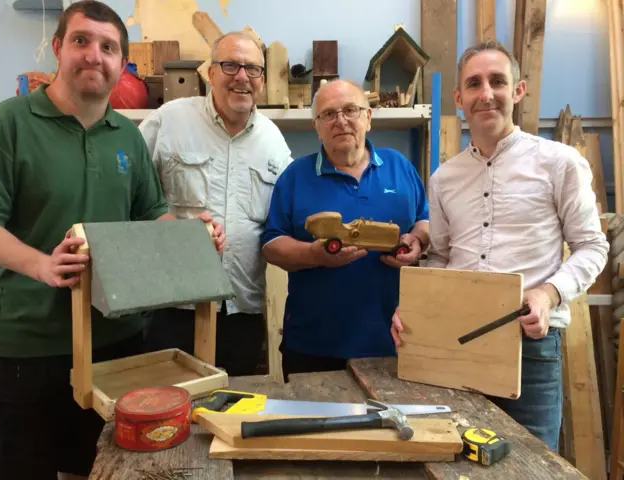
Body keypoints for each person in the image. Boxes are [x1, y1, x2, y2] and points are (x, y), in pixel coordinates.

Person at [0, 2, 223, 479]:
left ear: (121, 64)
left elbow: (150, 219)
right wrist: (41, 266)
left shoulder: (128, 138)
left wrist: (191, 237)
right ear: (58, 48)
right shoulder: (10, 122)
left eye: (108, 47)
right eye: (81, 41)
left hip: (115, 344)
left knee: (99, 470)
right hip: (29, 346)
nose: (94, 55)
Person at [391, 40, 609, 452]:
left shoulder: (559, 163)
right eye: (473, 84)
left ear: (519, 90)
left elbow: (592, 247)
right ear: (459, 98)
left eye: (497, 81)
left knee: (532, 462)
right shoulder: (444, 178)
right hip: (452, 339)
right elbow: (439, 258)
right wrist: (418, 308)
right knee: (453, 459)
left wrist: (547, 293)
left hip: (530, 345)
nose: (486, 93)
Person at [138, 31, 293, 377]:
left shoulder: (273, 142)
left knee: (230, 416)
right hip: (173, 309)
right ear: (210, 74)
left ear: (262, 80)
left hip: (242, 314)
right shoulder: (168, 121)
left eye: (252, 68)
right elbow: (130, 199)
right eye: (230, 65)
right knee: (168, 418)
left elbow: (284, 221)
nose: (242, 76)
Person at [260, 79, 430, 381]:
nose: (341, 120)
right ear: (317, 126)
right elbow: (272, 245)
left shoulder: (400, 167)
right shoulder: (295, 176)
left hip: (395, 341)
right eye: (328, 114)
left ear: (368, 117)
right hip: (313, 345)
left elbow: (424, 221)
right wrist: (315, 255)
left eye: (350, 109)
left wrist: (417, 240)